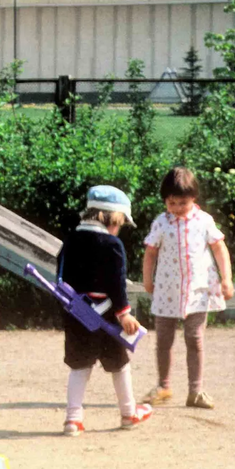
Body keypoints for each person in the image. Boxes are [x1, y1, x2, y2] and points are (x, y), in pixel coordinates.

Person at [56, 184, 153, 435]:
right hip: (108, 315)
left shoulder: (70, 241)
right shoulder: (112, 244)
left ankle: (72, 419)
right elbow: (116, 283)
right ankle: (129, 413)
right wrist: (124, 313)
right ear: (111, 218)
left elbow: (61, 276)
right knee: (119, 365)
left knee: (79, 366)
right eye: (120, 223)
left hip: (76, 314)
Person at [141, 166, 234, 409]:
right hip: (167, 291)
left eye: (182, 202)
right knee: (163, 340)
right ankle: (163, 386)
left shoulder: (204, 221)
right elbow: (150, 252)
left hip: (197, 290)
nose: (177, 208)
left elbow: (219, 248)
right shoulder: (161, 222)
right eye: (171, 203)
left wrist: (227, 279)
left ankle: (196, 391)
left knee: (195, 339)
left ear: (194, 198)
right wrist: (147, 279)